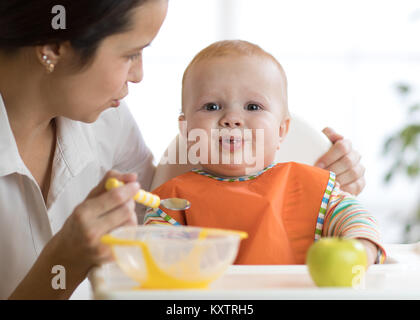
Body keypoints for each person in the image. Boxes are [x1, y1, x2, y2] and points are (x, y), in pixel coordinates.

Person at [0, 1, 366, 300]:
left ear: (282, 128)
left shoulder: (107, 118)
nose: (140, 75)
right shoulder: (172, 189)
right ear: (54, 48)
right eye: (131, 53)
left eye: (253, 108)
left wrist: (339, 188)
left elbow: (157, 193)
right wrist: (63, 261)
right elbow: (158, 235)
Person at [144, 40, 386, 267]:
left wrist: (360, 249)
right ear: (186, 130)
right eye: (212, 107)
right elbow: (152, 252)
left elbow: (356, 218)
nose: (232, 119)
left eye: (253, 107)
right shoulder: (170, 200)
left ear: (281, 131)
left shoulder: (311, 186)